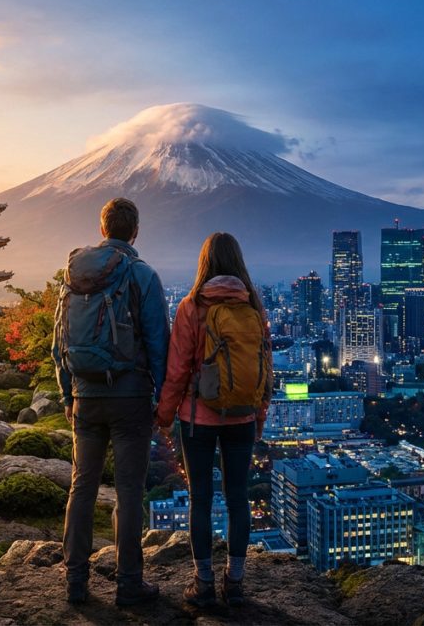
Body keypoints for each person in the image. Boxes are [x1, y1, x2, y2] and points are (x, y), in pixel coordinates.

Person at [52, 197, 170, 607]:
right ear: (134, 232)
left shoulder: (74, 273)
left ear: (102, 229)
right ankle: (129, 583)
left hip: (85, 396)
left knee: (82, 486)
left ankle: (75, 581)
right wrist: (163, 399)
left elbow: (58, 343)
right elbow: (159, 344)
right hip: (131, 396)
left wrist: (68, 394)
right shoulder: (142, 275)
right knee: (129, 490)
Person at [156, 232, 271, 608]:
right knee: (238, 498)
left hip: (198, 419)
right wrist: (258, 416)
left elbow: (176, 370)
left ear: (203, 262)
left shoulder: (192, 306)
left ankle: (203, 582)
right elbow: (264, 370)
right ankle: (234, 582)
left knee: (200, 499)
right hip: (241, 417)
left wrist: (164, 415)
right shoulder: (253, 305)